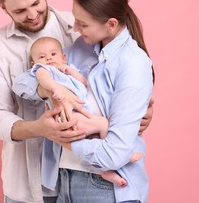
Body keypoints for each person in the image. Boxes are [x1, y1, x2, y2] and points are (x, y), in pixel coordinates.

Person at [0, 0, 154, 203]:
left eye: (36, 2)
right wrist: (44, 109)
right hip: (29, 183)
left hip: (80, 174)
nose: (32, 15)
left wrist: (136, 113)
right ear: (3, 6)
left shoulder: (78, 27)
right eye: (20, 11)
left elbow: (114, 85)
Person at [52, 0, 154, 202]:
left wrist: (62, 140)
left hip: (107, 188)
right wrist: (44, 83)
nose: (75, 28)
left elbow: (115, 153)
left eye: (83, 23)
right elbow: (40, 73)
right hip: (67, 178)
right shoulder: (83, 46)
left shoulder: (134, 64)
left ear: (111, 24)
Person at [12, 36, 143, 188]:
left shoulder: (68, 71)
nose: (48, 58)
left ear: (63, 57)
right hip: (68, 116)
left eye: (53, 54)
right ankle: (119, 159)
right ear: (33, 63)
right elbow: (43, 80)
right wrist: (54, 88)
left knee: (97, 140)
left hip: (81, 113)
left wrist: (71, 71)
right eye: (42, 56)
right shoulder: (43, 70)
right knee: (102, 124)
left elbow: (85, 83)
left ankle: (106, 168)